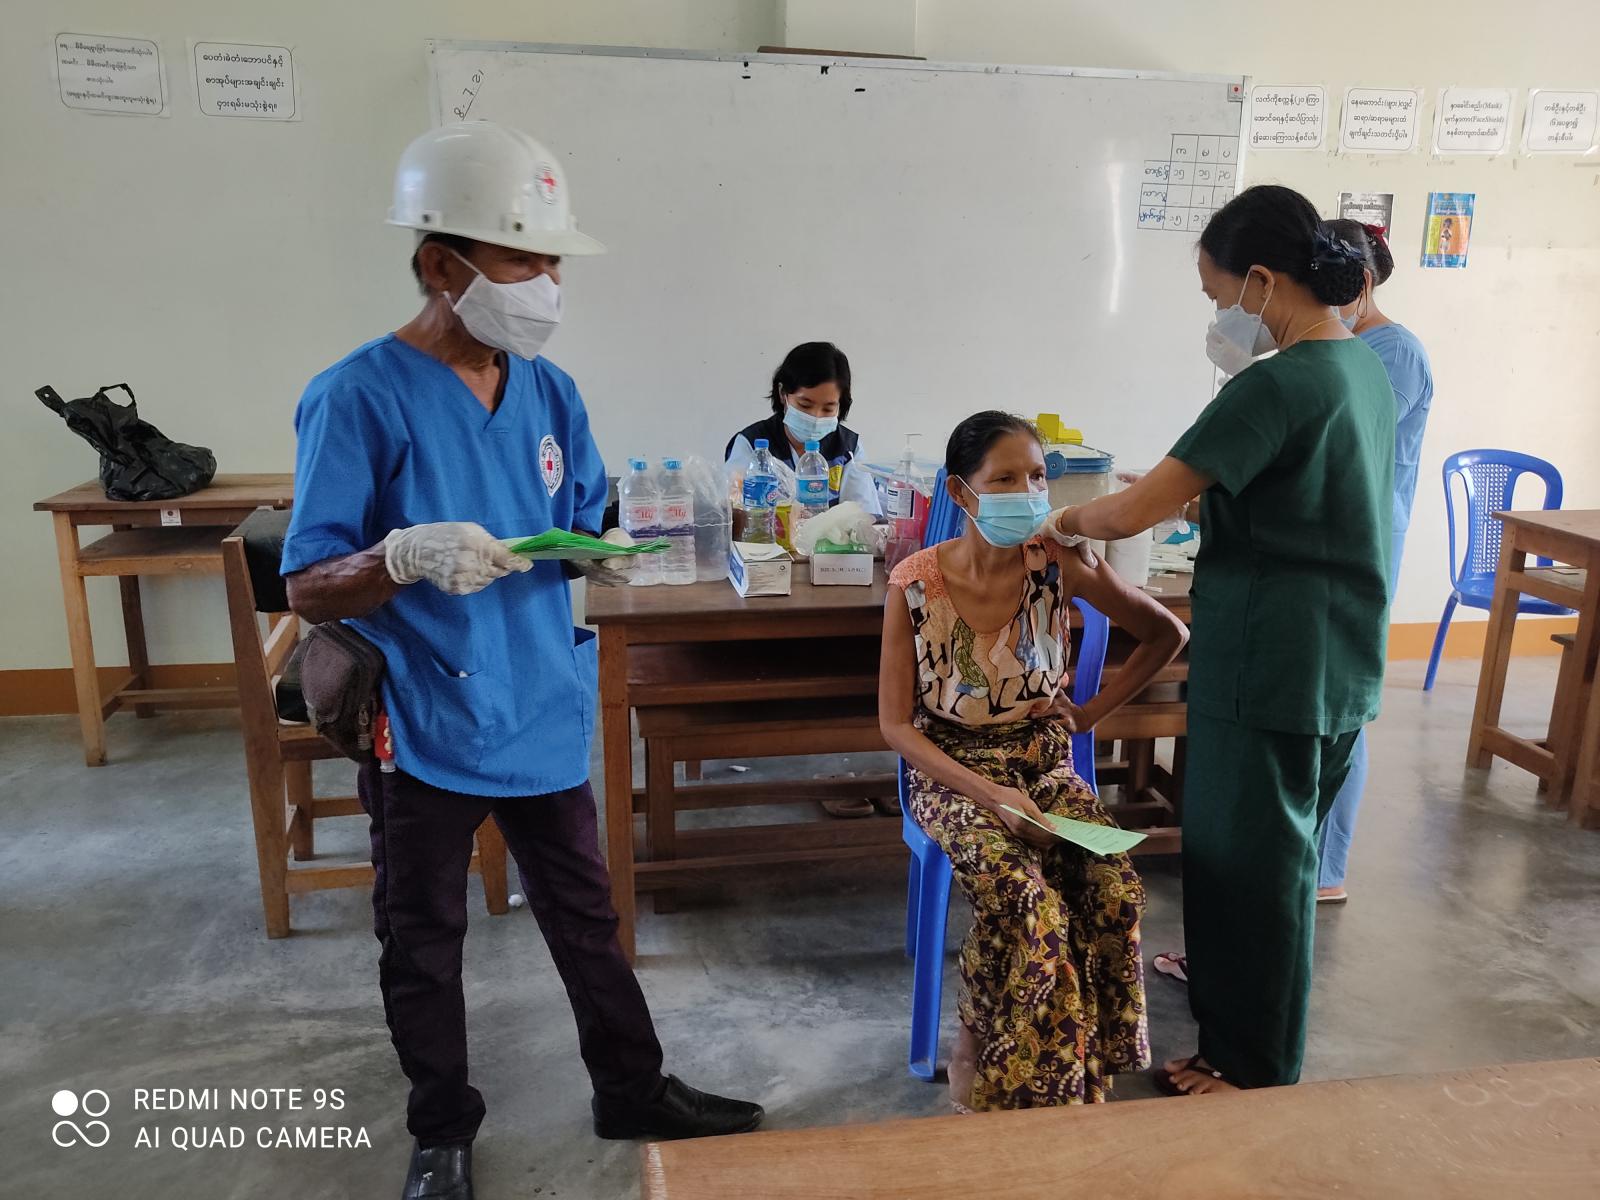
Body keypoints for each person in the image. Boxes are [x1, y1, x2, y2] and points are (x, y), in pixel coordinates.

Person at [281, 122, 762, 1200]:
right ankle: (442, 1131)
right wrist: (399, 556)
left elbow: (581, 518)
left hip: (539, 697)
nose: (546, 285)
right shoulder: (358, 395)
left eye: (553, 262)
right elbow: (307, 583)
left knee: (586, 914)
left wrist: (623, 540)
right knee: (423, 934)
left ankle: (631, 1087)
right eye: (522, 260)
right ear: (439, 264)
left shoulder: (549, 391)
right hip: (426, 715)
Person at [1052, 186, 1393, 1095]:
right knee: (1284, 862)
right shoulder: (1358, 364)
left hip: (1268, 662)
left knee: (1247, 868)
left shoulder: (1274, 383)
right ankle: (1250, 1033)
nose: (1219, 315)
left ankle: (1249, 1064)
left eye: (1217, 296)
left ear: (1261, 280)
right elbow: (1306, 491)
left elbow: (1130, 511)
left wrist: (1062, 519)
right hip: (1339, 655)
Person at [879, 411, 1187, 1112]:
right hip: (952, 770)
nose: (1028, 493)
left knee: (1113, 889)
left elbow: (1165, 633)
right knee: (1028, 906)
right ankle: (982, 1052)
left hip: (1042, 765)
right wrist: (992, 796)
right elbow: (896, 726)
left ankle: (1080, 1065)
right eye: (1005, 479)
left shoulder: (1057, 563)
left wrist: (1091, 712)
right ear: (961, 492)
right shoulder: (915, 585)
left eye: (1038, 477)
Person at [1315, 220, 1435, 903]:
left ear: (1358, 283)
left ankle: (1326, 870)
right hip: (1331, 543)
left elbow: (1345, 446)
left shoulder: (1395, 353)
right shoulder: (1345, 344)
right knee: (1322, 700)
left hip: (1363, 545)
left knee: (1342, 708)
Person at [724, 341, 883, 517]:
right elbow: (735, 511)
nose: (816, 417)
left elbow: (863, 516)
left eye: (828, 409)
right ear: (783, 394)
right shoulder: (752, 444)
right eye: (805, 405)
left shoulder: (848, 448)